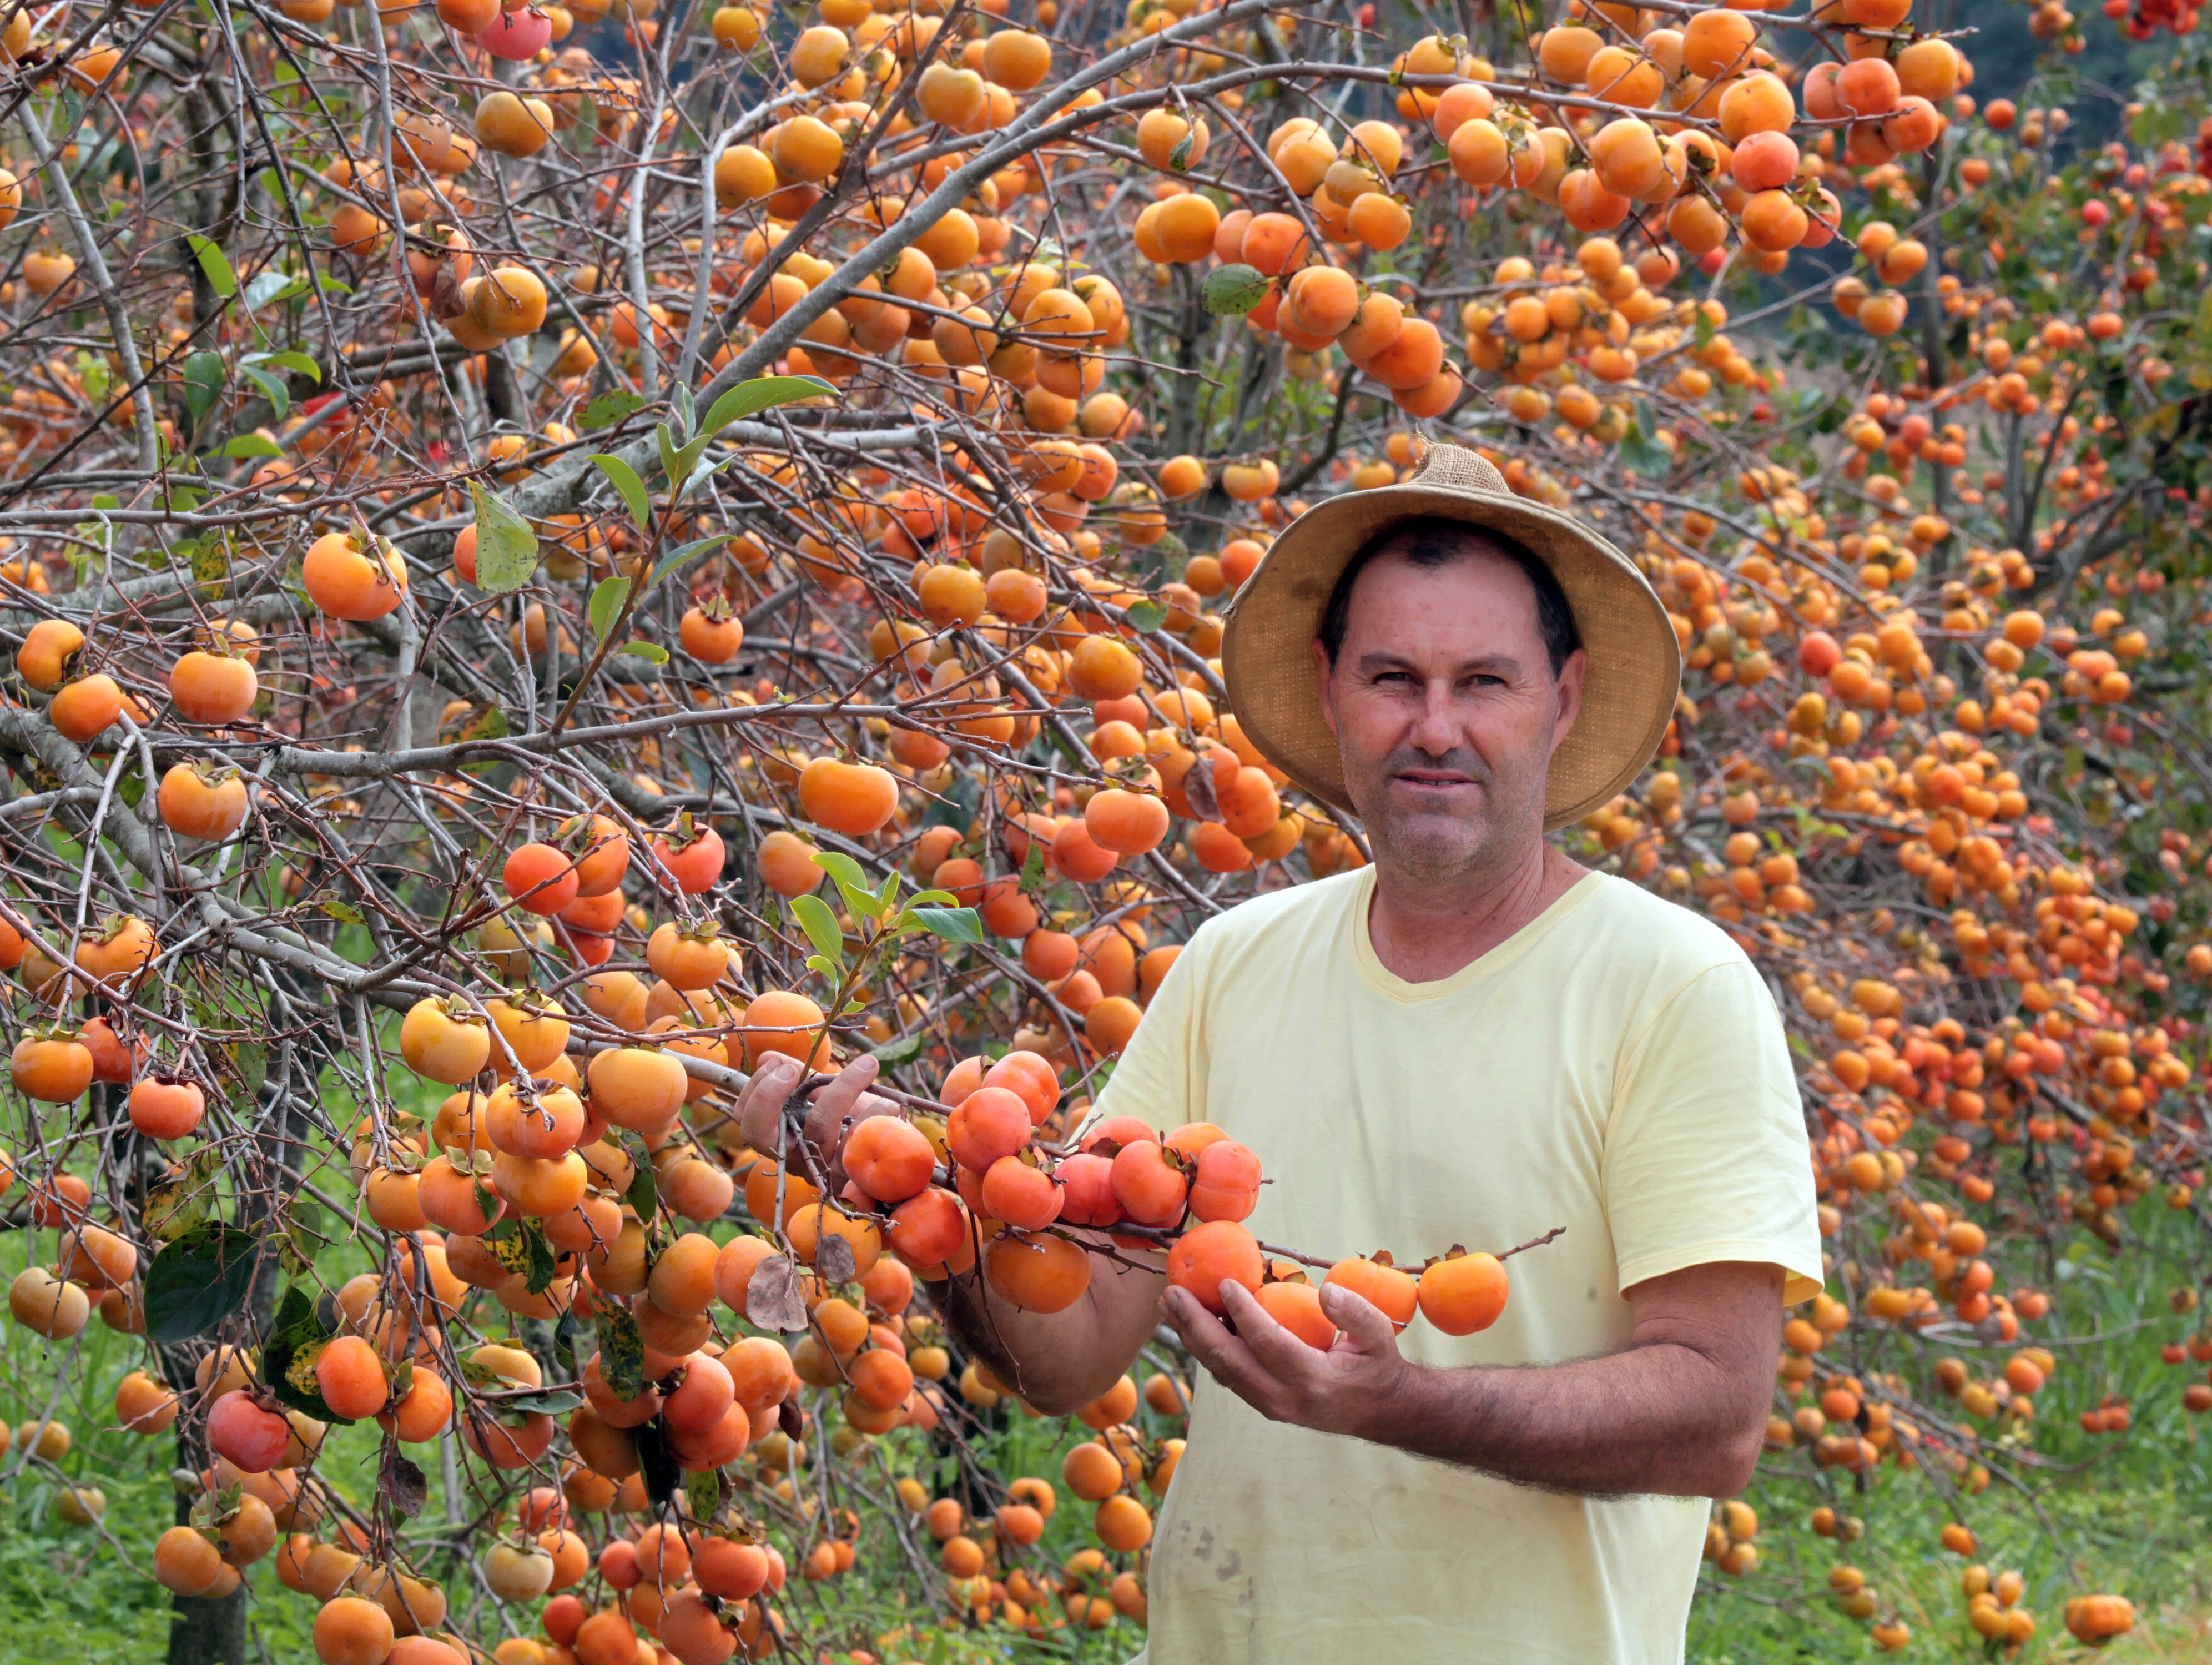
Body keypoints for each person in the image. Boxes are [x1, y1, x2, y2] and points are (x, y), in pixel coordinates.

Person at [739, 441, 1822, 1662]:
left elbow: (1718, 1417)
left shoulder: (1672, 986)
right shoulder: (1231, 963)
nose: (1434, 725)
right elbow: (1070, 1346)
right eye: (1392, 676)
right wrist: (918, 1200)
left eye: (1484, 681)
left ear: (1560, 700)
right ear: (1327, 688)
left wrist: (1399, 1404)